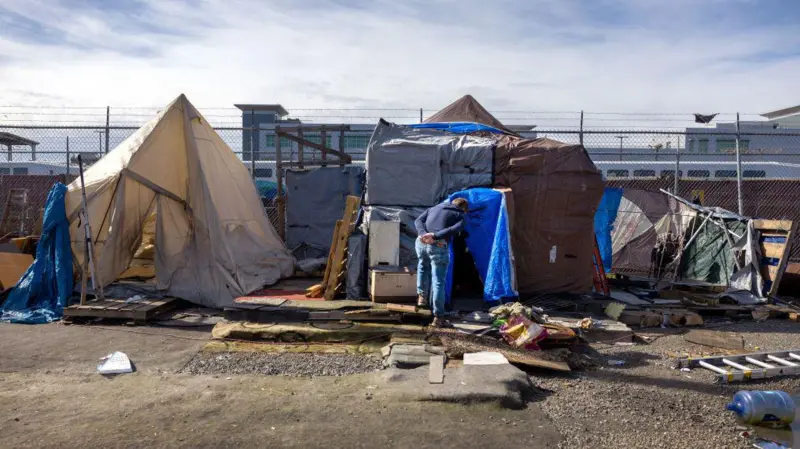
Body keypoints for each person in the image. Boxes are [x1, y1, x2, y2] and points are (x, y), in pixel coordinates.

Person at [414, 197, 469, 327]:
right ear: (464, 209)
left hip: (421, 241)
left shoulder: (434, 208)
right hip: (437, 244)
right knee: (438, 281)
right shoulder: (460, 214)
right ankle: (438, 317)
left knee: (422, 266)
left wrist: (423, 234)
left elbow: (418, 220)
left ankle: (422, 297)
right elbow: (454, 229)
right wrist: (434, 235)